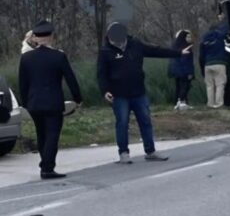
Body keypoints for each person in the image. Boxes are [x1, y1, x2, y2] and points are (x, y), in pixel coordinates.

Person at [97, 22, 189, 164]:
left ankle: (150, 151)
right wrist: (105, 91)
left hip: (138, 91)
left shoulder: (135, 45)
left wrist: (178, 53)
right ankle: (123, 153)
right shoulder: (105, 52)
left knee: (145, 121)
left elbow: (155, 51)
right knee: (122, 123)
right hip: (119, 94)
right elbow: (101, 74)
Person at [18, 20, 82, 179]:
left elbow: (22, 83)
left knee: (41, 134)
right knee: (53, 134)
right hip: (53, 102)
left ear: (36, 38)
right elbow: (70, 78)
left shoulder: (26, 58)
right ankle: (47, 167)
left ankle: (45, 164)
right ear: (52, 36)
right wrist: (77, 98)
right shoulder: (59, 56)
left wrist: (25, 102)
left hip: (34, 103)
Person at [199, 19, 229, 109]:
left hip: (207, 64)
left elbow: (201, 55)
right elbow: (226, 29)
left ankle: (210, 104)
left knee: (209, 86)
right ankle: (219, 104)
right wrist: (223, 19)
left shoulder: (204, 39)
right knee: (220, 84)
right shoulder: (219, 36)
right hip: (219, 63)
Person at [168, 30, 195, 111]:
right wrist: (189, 72)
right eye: (188, 37)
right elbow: (186, 61)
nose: (190, 38)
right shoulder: (186, 47)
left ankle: (178, 102)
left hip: (175, 70)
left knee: (178, 86)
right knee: (185, 86)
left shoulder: (175, 45)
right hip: (183, 70)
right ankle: (181, 102)